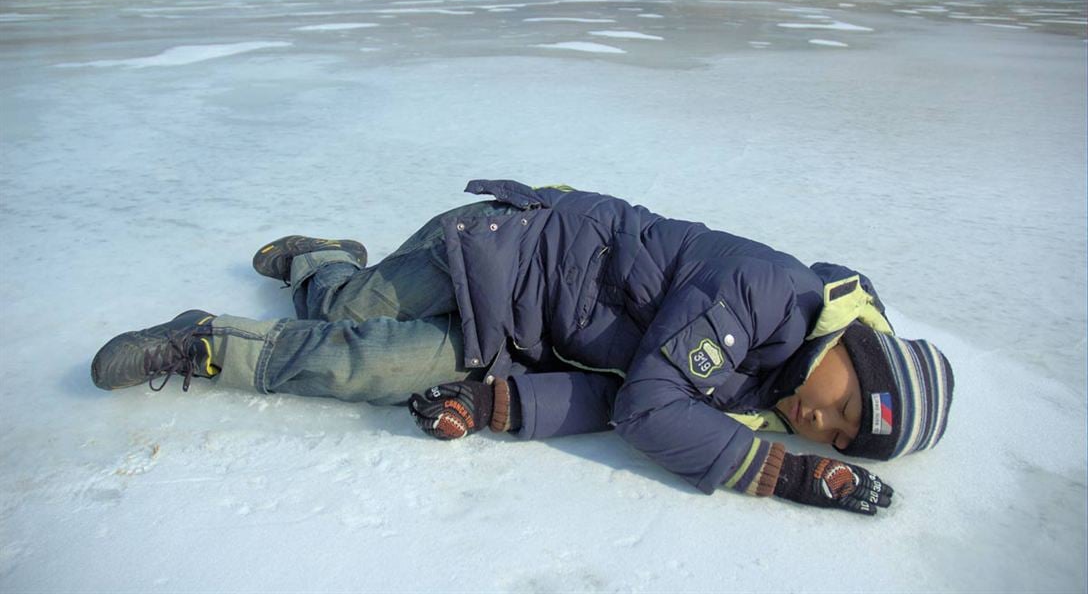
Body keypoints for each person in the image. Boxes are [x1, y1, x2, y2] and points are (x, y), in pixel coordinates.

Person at [91, 179, 954, 516]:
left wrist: (501, 405)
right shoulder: (769, 293)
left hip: (513, 337)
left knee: (365, 367)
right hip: (504, 250)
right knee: (350, 306)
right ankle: (322, 263)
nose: (818, 421)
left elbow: (623, 397)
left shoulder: (768, 388)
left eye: (837, 437)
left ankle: (201, 346)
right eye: (842, 405)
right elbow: (653, 405)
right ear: (857, 348)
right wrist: (784, 473)